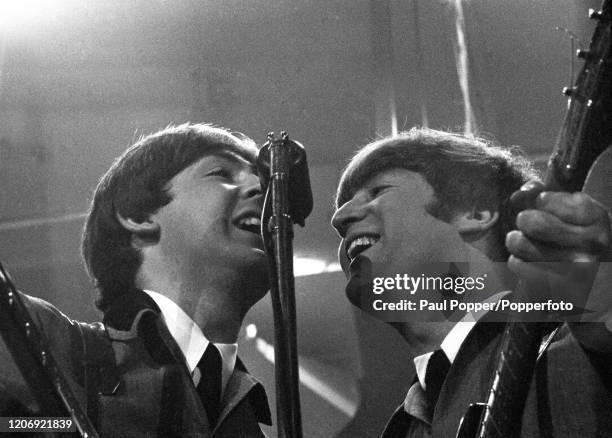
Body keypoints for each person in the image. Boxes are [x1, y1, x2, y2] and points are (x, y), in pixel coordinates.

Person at [331, 127, 612, 437]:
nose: (340, 217)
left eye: (378, 190)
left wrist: (603, 306)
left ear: (476, 212)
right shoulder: (404, 428)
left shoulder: (578, 343)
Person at [0, 123, 272, 437]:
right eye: (222, 173)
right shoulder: (41, 339)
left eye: (262, 177)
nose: (261, 189)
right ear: (138, 216)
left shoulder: (248, 418)